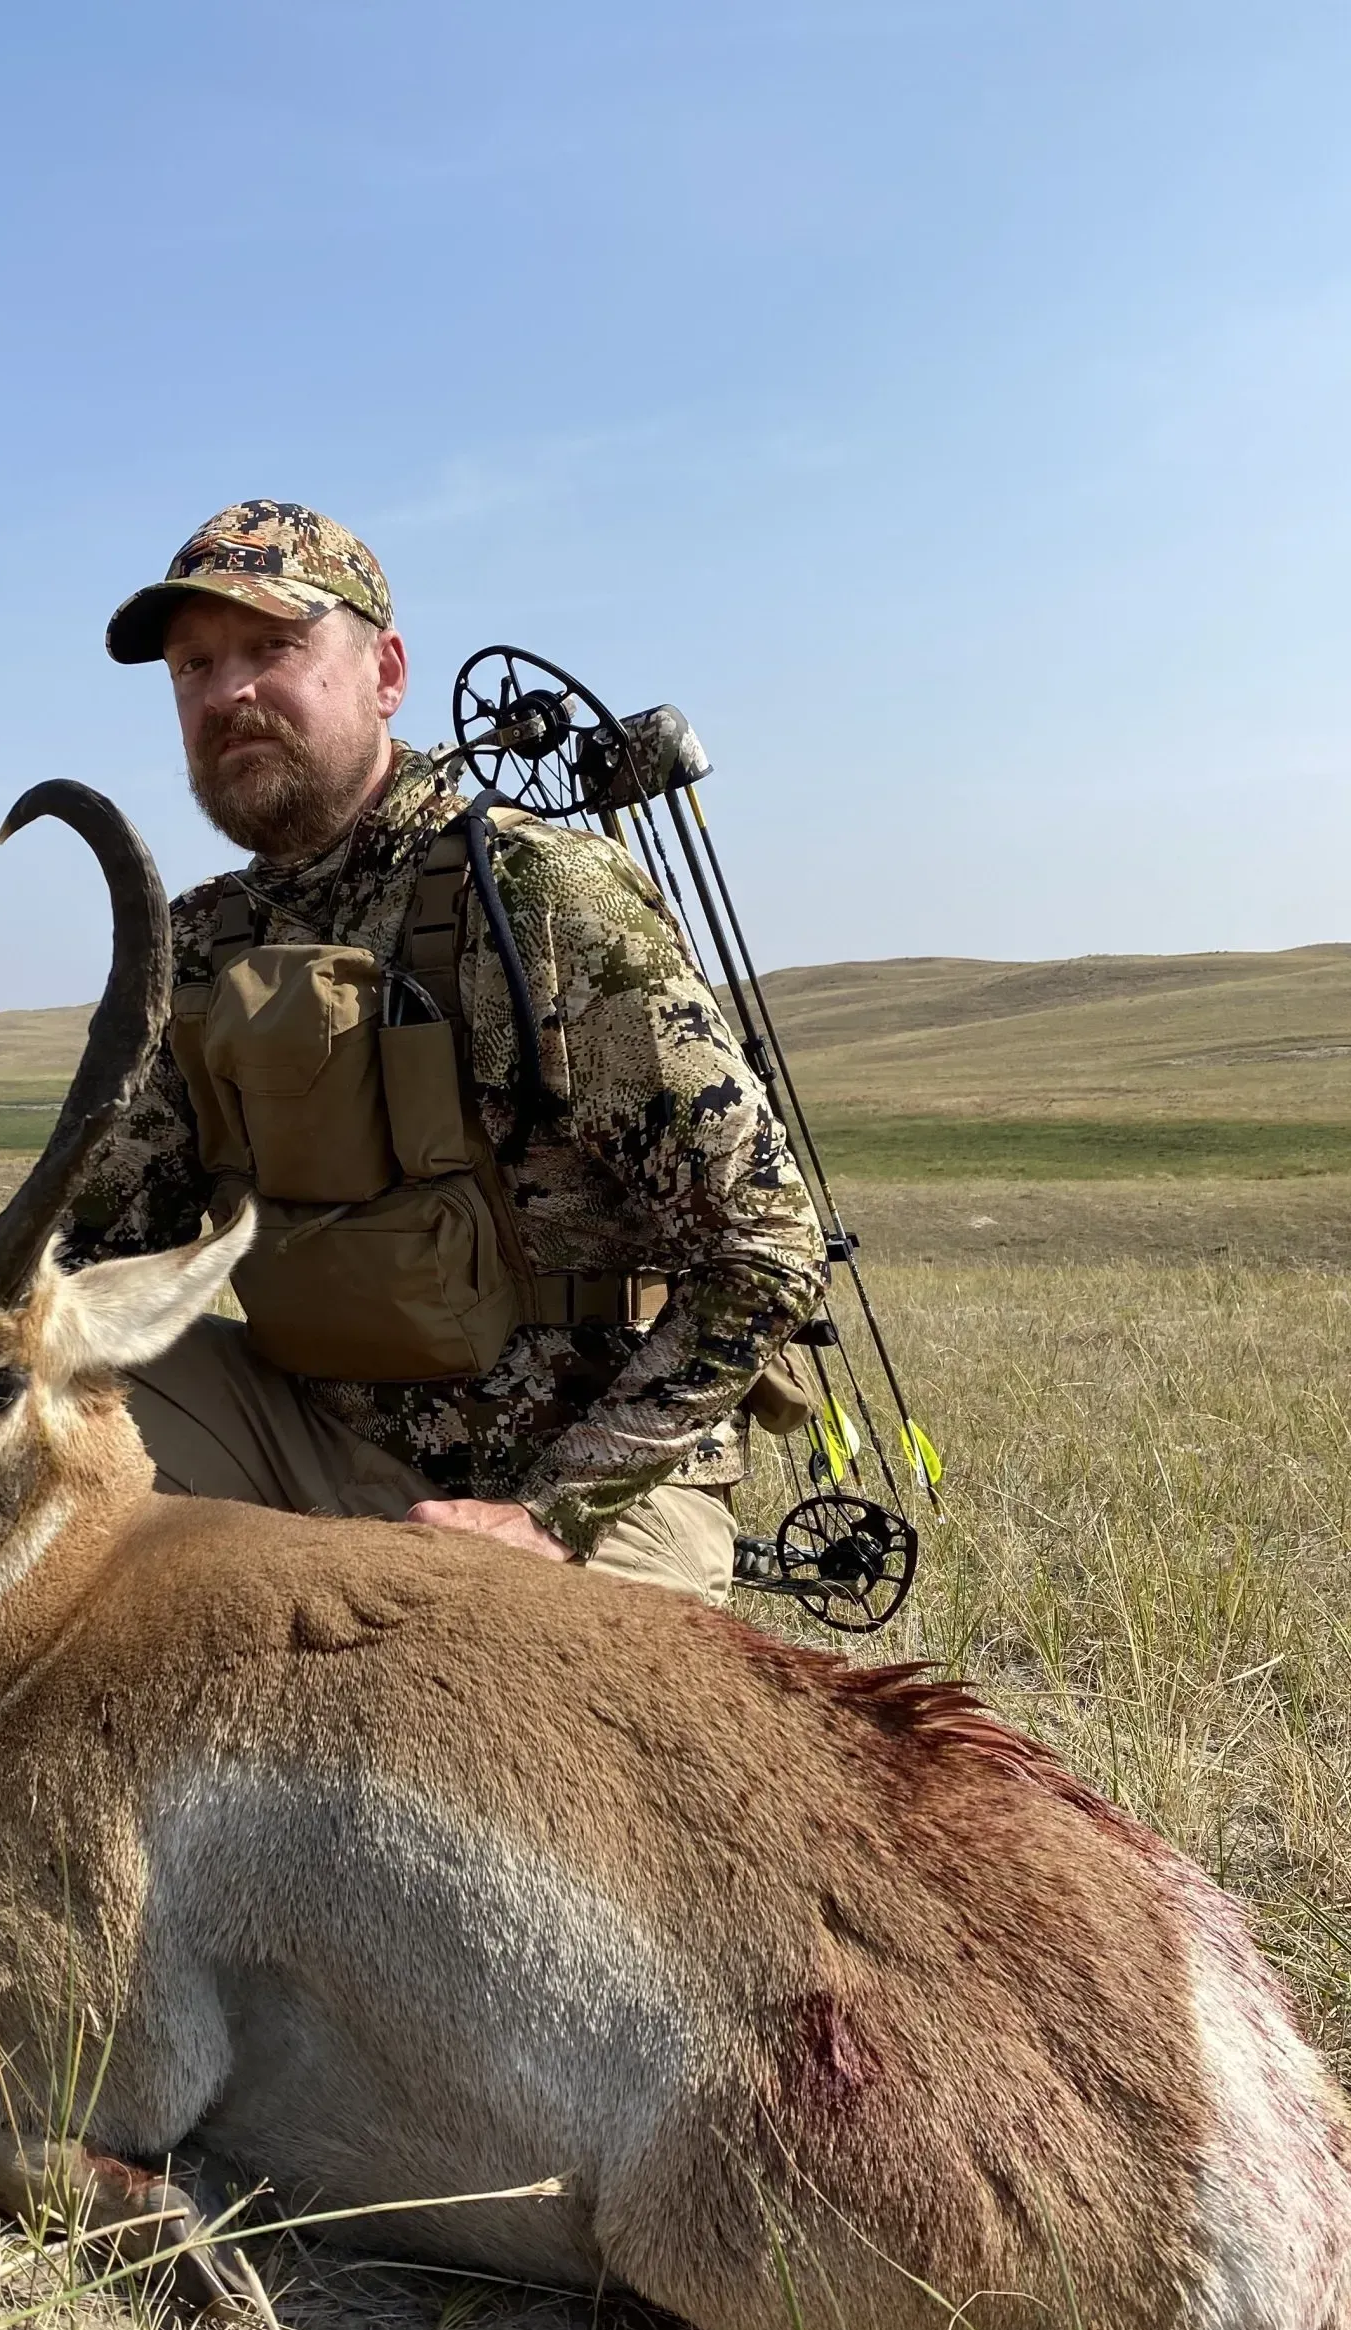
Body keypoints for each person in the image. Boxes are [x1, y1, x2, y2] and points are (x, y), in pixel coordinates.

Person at [57, 500, 828, 1605]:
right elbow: (100, 1257)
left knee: (515, 1732)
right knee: (24, 1396)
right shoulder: (190, 949)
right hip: (309, 1443)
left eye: (274, 647)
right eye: (193, 665)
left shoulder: (537, 897)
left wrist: (552, 1513)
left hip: (583, 1481)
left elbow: (767, 1248)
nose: (228, 693)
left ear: (387, 672)